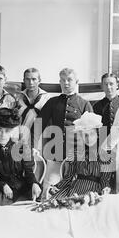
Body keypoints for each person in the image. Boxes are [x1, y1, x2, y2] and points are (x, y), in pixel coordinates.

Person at [38, 68, 93, 197]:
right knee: (48, 192)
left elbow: (92, 134)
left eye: (69, 80)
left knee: (75, 196)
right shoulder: (52, 102)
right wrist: (33, 145)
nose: (66, 83)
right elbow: (38, 124)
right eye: (63, 80)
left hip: (76, 158)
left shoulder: (84, 104)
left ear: (76, 82)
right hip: (55, 154)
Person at [0, 108, 42, 206]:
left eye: (7, 131)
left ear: (12, 132)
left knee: (30, 203)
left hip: (23, 187)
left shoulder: (22, 148)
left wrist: (34, 183)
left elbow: (29, 172)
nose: (3, 135)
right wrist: (3, 185)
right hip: (3, 189)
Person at [47, 112, 111, 199]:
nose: (88, 138)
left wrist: (105, 189)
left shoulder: (104, 156)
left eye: (91, 134)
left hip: (93, 192)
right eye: (85, 135)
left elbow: (104, 180)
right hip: (74, 189)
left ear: (97, 134)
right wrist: (57, 186)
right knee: (55, 204)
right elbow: (69, 177)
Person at [93, 73, 119, 190]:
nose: (109, 87)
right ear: (102, 86)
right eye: (106, 84)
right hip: (103, 148)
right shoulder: (96, 106)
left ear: (117, 85)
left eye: (111, 84)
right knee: (104, 181)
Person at [17, 68, 51, 147]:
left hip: (40, 142)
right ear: (24, 80)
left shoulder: (47, 99)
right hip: (21, 140)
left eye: (34, 79)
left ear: (39, 80)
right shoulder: (18, 98)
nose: (31, 82)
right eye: (27, 79)